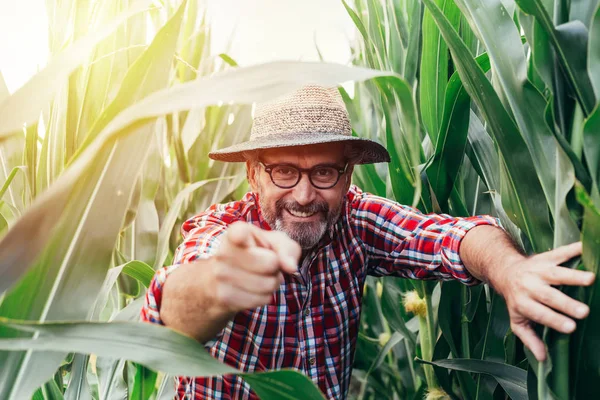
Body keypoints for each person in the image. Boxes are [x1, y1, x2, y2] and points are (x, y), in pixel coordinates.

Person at [141, 86, 595, 399]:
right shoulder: (221, 234)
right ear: (253, 174)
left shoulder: (355, 222)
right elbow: (171, 317)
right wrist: (219, 284)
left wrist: (510, 270)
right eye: (284, 171)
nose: (303, 195)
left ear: (348, 176)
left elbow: (446, 236)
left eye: (323, 172)